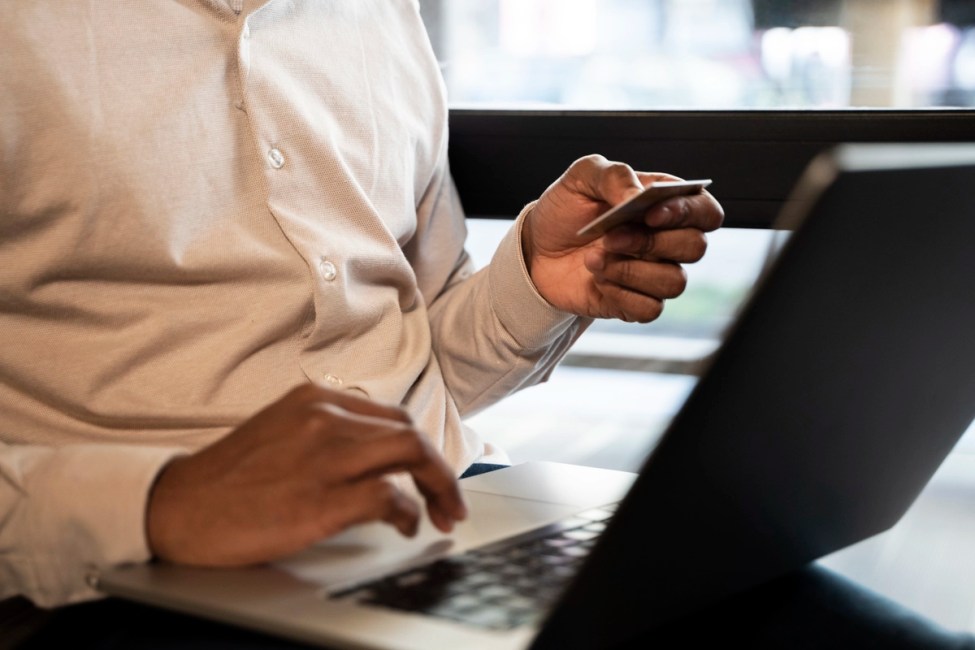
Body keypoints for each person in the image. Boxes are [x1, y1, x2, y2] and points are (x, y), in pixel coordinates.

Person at [0, 0, 721, 612]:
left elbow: (408, 358)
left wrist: (532, 279)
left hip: (446, 507)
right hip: (140, 577)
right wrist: (154, 505)